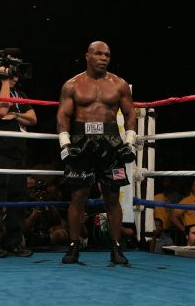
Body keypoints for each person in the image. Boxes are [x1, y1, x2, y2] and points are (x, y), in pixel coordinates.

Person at [56, 40, 136, 265]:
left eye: (107, 55)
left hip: (111, 141)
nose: (104, 58)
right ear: (88, 56)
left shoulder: (119, 84)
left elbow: (130, 114)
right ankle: (73, 247)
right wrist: (65, 143)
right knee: (78, 196)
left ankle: (117, 248)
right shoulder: (72, 85)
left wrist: (129, 142)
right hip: (81, 141)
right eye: (99, 54)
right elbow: (63, 116)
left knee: (112, 197)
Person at [0, 56, 37, 258]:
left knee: (18, 199)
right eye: (11, 72)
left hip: (18, 153)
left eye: (15, 73)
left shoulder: (20, 94)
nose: (15, 76)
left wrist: (16, 115)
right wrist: (3, 82)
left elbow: (33, 118)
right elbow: (1, 109)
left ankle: (15, 242)